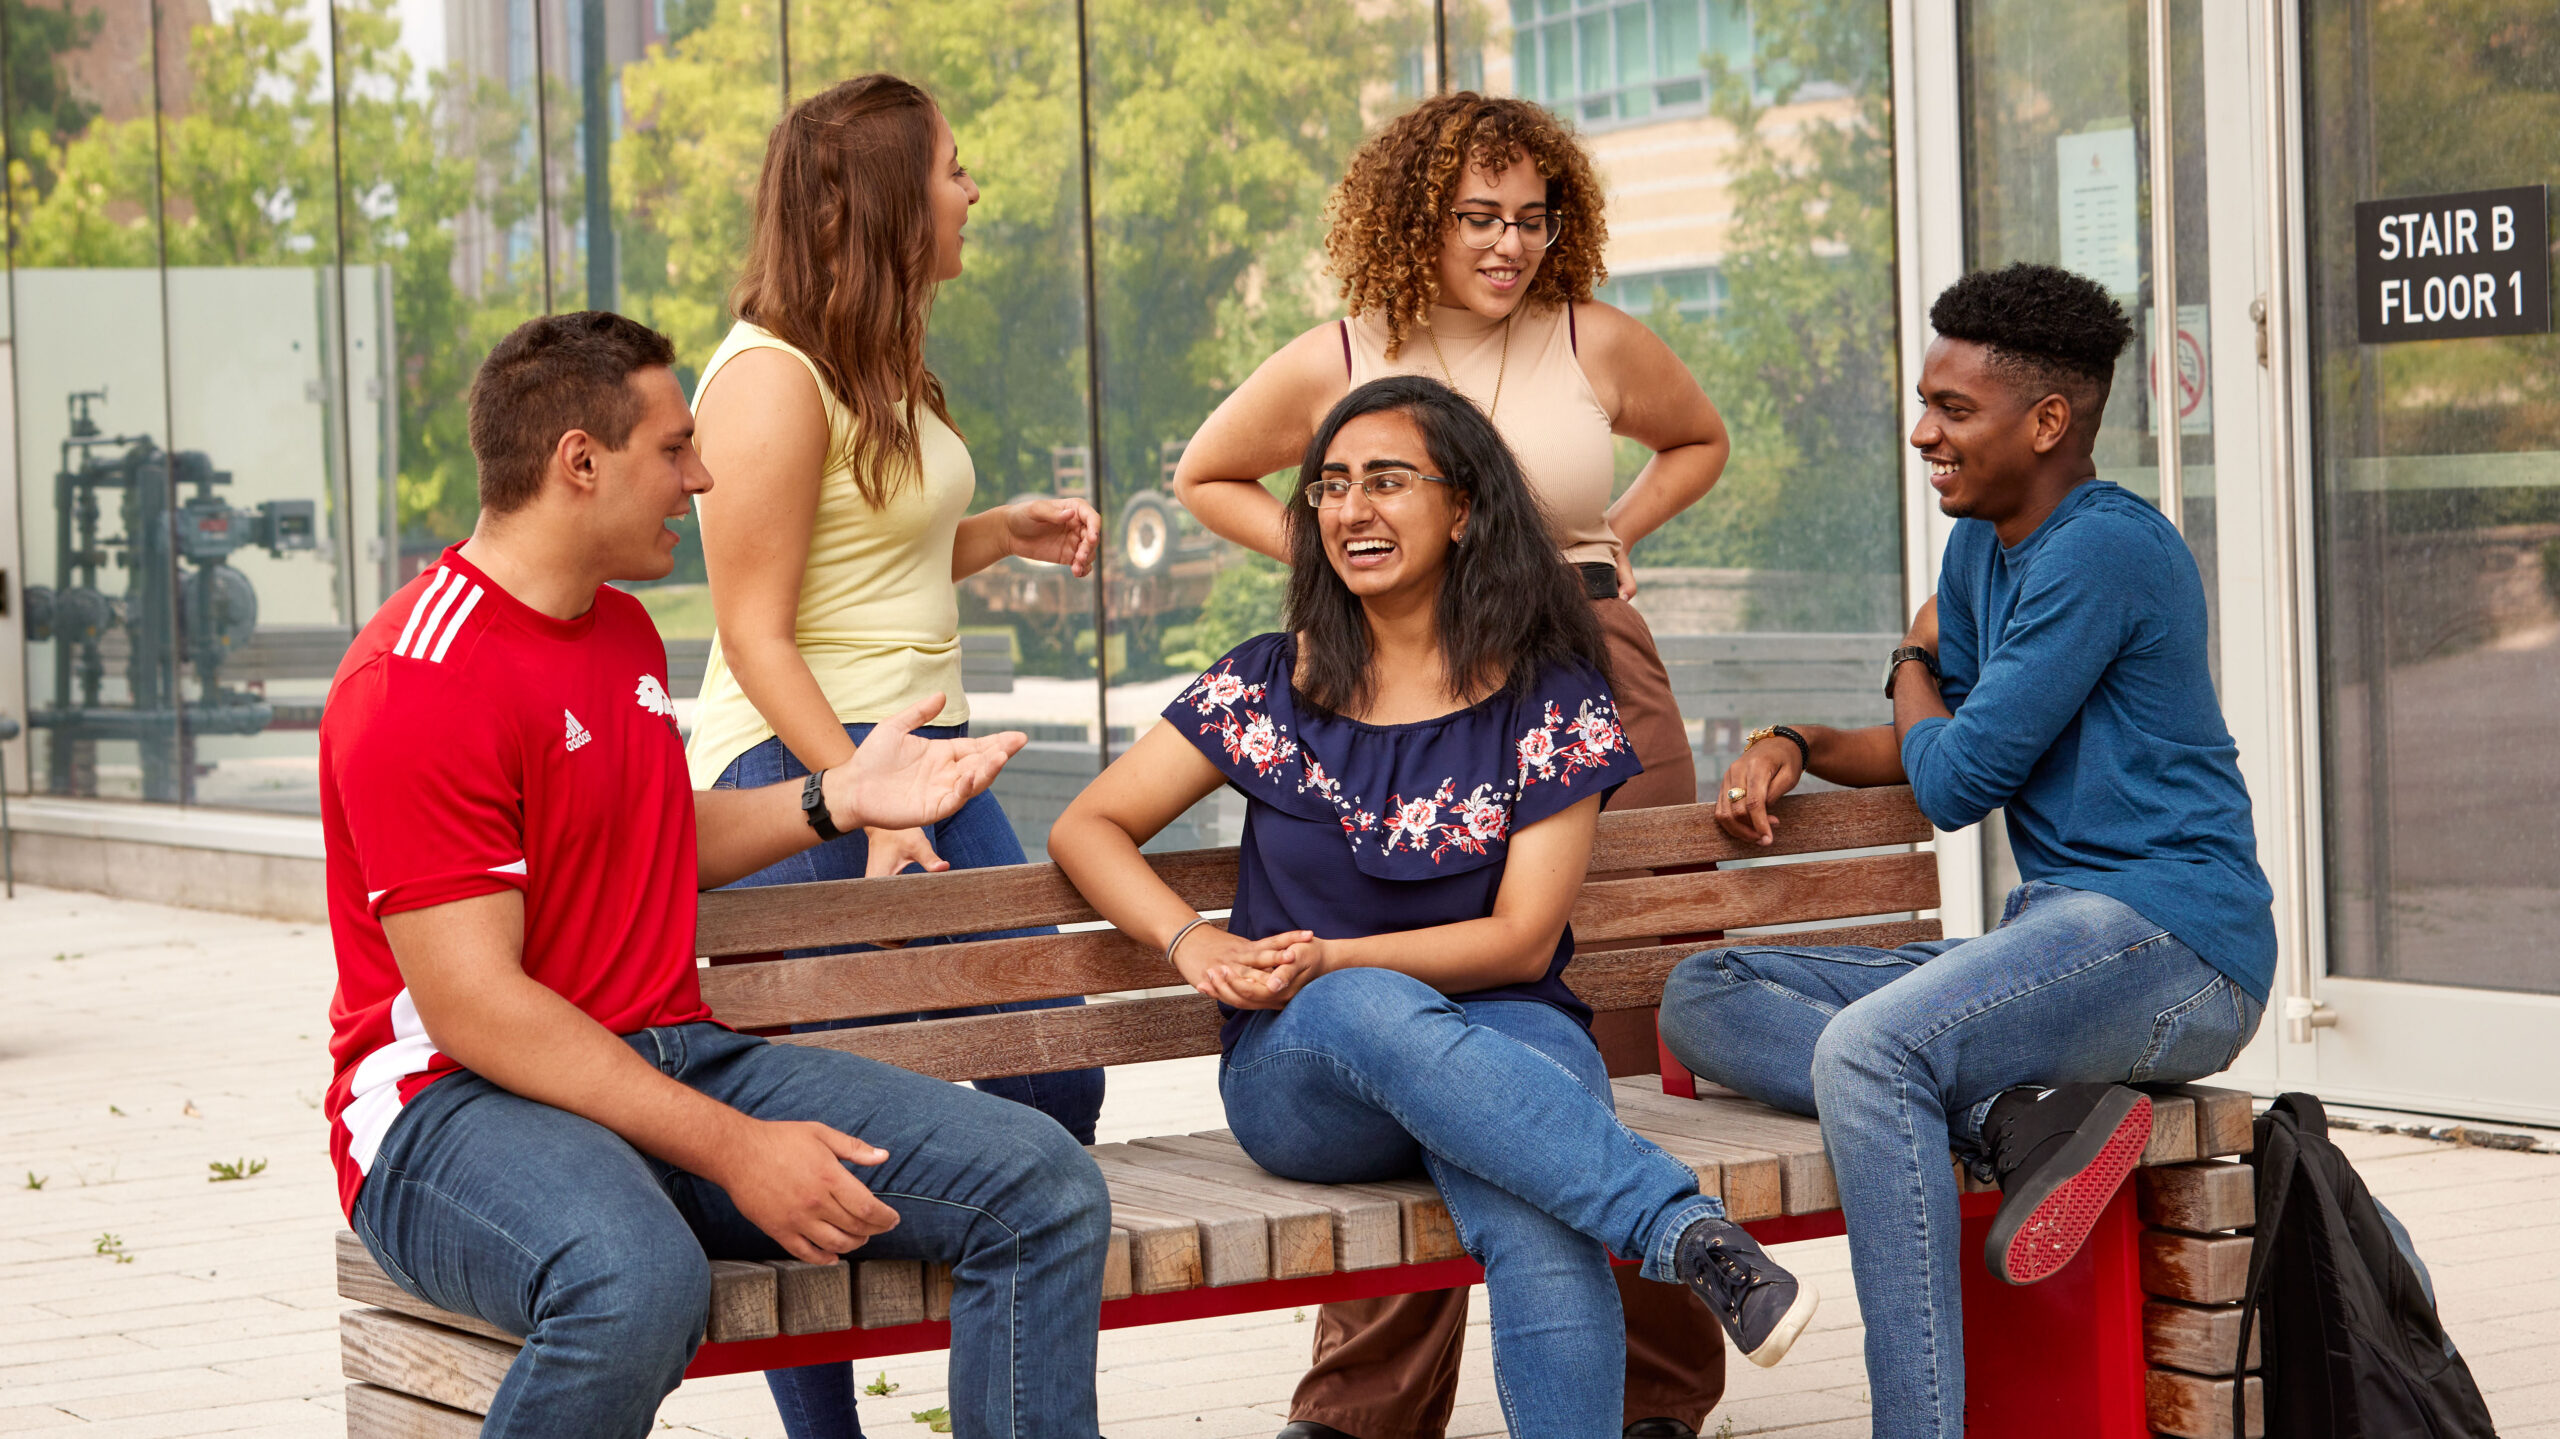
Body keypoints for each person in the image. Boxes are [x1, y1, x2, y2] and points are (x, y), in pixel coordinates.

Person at [321, 311, 1111, 1439]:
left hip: (667, 1055)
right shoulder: (418, 677)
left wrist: (838, 797)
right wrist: (736, 1148)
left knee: (1040, 1183)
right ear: (578, 462)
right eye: (675, 448)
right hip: (451, 1109)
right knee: (633, 1281)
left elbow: (650, 833)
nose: (699, 478)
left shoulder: (622, 633)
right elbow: (475, 1007)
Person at [1052, 375, 1816, 1439]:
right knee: (1363, 1002)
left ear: (1462, 508)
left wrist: (1340, 956)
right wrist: (1194, 940)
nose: (1351, 508)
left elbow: (1521, 938)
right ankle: (1678, 1225)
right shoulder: (1269, 685)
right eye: (1329, 485)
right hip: (1304, 1067)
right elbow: (1087, 824)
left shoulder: (1550, 694)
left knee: (1533, 1203)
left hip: (1507, 1036)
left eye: (1386, 480)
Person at [1170, 91, 1734, 1439]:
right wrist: (1351, 571)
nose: (1509, 244)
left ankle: (1655, 1391)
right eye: (1478, 216)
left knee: (1603, 1025)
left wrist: (1599, 543)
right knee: (1409, 1018)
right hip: (1404, 678)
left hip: (1589, 668)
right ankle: (1369, 1403)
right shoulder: (1344, 355)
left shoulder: (1593, 335)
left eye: (1532, 218)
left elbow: (1699, 438)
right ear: (1415, 217)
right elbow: (1207, 474)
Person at [1658, 263, 2274, 1439]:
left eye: (1952, 408)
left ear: (2048, 421)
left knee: (1871, 1051)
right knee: (1705, 989)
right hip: (2061, 938)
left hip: (2176, 945)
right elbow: (1941, 736)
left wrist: (1907, 657)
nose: (1920, 431)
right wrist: (1799, 740)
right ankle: (2016, 1113)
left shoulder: (2106, 551)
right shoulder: (1983, 549)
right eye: (1925, 401)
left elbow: (1954, 775)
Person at [680, 75, 1109, 1436]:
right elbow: (754, 629)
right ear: (877, 202)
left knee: (1050, 1064)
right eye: (952, 169)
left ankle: (980, 1295)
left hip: (910, 767)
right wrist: (852, 799)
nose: (971, 191)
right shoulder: (767, 380)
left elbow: (867, 556)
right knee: (817, 1112)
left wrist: (999, 530)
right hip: (796, 776)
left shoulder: (876, 364)